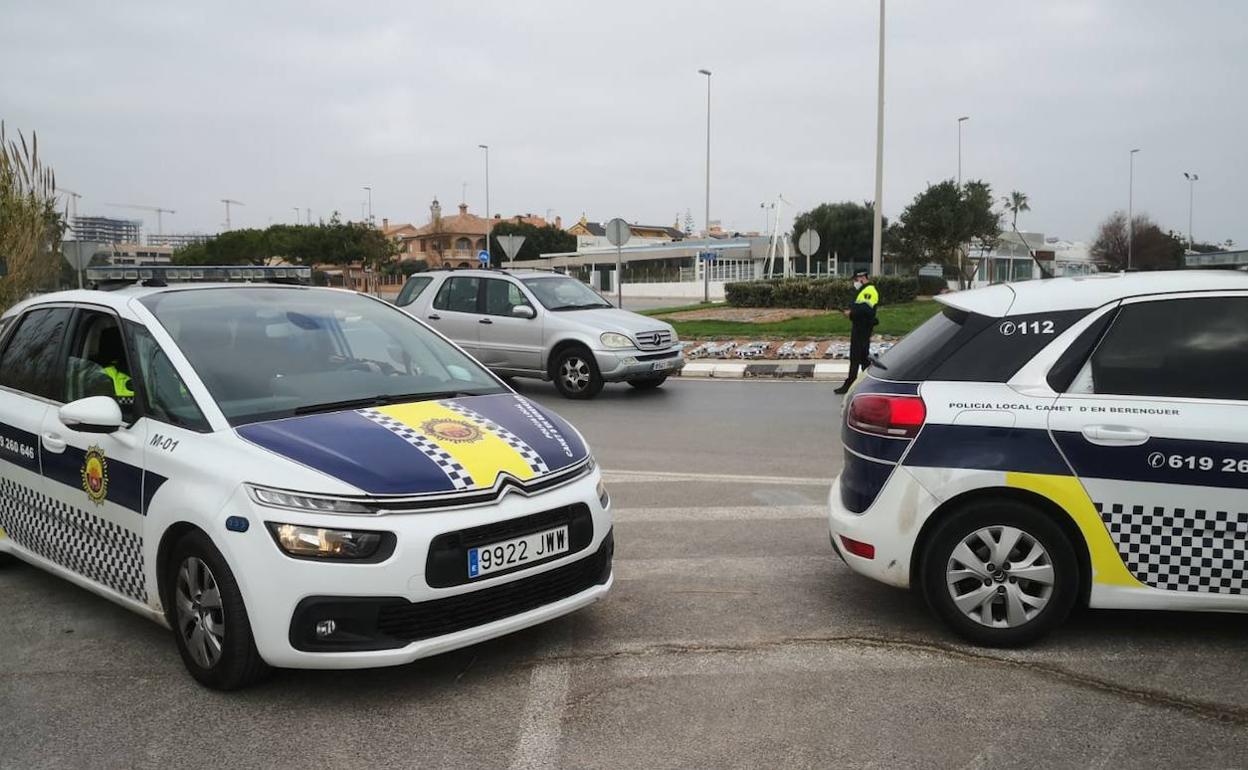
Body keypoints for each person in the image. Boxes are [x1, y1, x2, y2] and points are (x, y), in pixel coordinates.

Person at [834, 269, 879, 394]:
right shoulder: (863, 290)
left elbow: (866, 310)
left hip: (862, 328)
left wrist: (851, 313)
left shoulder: (869, 291)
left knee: (855, 356)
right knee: (863, 358)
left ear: (862, 278)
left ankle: (850, 384)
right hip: (861, 327)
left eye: (856, 279)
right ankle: (869, 384)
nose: (855, 282)